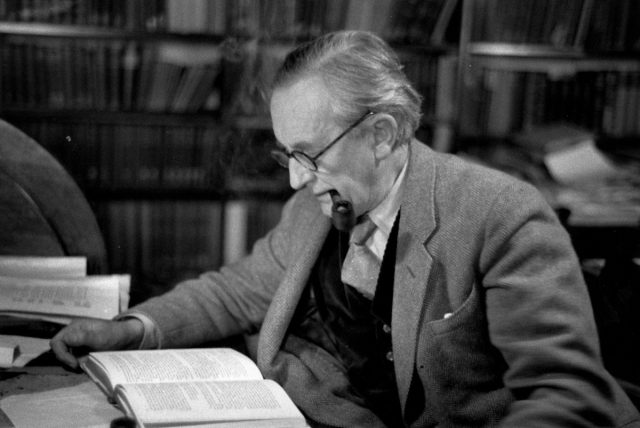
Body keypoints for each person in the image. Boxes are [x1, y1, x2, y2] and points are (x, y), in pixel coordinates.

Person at [51, 31, 639, 427]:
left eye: (309, 154)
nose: (294, 181)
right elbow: (238, 289)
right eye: (287, 156)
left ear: (382, 134)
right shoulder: (315, 203)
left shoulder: (500, 215)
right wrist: (133, 329)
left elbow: (567, 396)